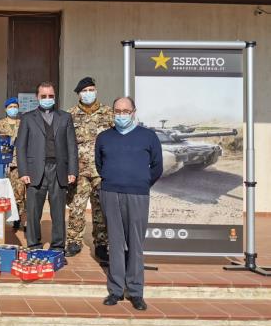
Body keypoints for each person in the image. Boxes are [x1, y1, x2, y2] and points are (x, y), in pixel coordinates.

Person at [95, 96, 162, 311]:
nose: (121, 114)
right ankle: (115, 290)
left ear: (134, 112)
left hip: (138, 195)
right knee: (115, 242)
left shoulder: (148, 136)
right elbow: (99, 164)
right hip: (111, 193)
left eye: (126, 110)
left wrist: (140, 182)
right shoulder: (104, 137)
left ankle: (135, 291)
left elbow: (157, 167)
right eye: (117, 111)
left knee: (135, 243)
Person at [16, 82, 78, 250]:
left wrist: (72, 170)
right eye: (44, 96)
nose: (47, 99)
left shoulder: (65, 117)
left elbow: (72, 146)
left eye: (51, 96)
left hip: (58, 169)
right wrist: (23, 171)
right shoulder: (28, 118)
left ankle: (58, 246)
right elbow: (20, 146)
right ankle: (34, 244)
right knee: (33, 211)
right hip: (35, 170)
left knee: (58, 211)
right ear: (37, 97)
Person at [65, 77, 114, 260]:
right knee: (77, 207)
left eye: (91, 90)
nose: (88, 94)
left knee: (101, 208)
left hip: (102, 170)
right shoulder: (70, 115)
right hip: (78, 171)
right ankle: (74, 241)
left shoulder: (108, 113)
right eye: (84, 91)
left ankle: (101, 244)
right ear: (79, 94)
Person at [0, 97, 25, 230]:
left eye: (15, 106)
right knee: (2, 192)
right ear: (6, 109)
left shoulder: (23, 123)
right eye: (10, 107)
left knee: (19, 193)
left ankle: (19, 218)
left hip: (19, 163)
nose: (13, 109)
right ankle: (2, 219)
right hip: (2, 164)